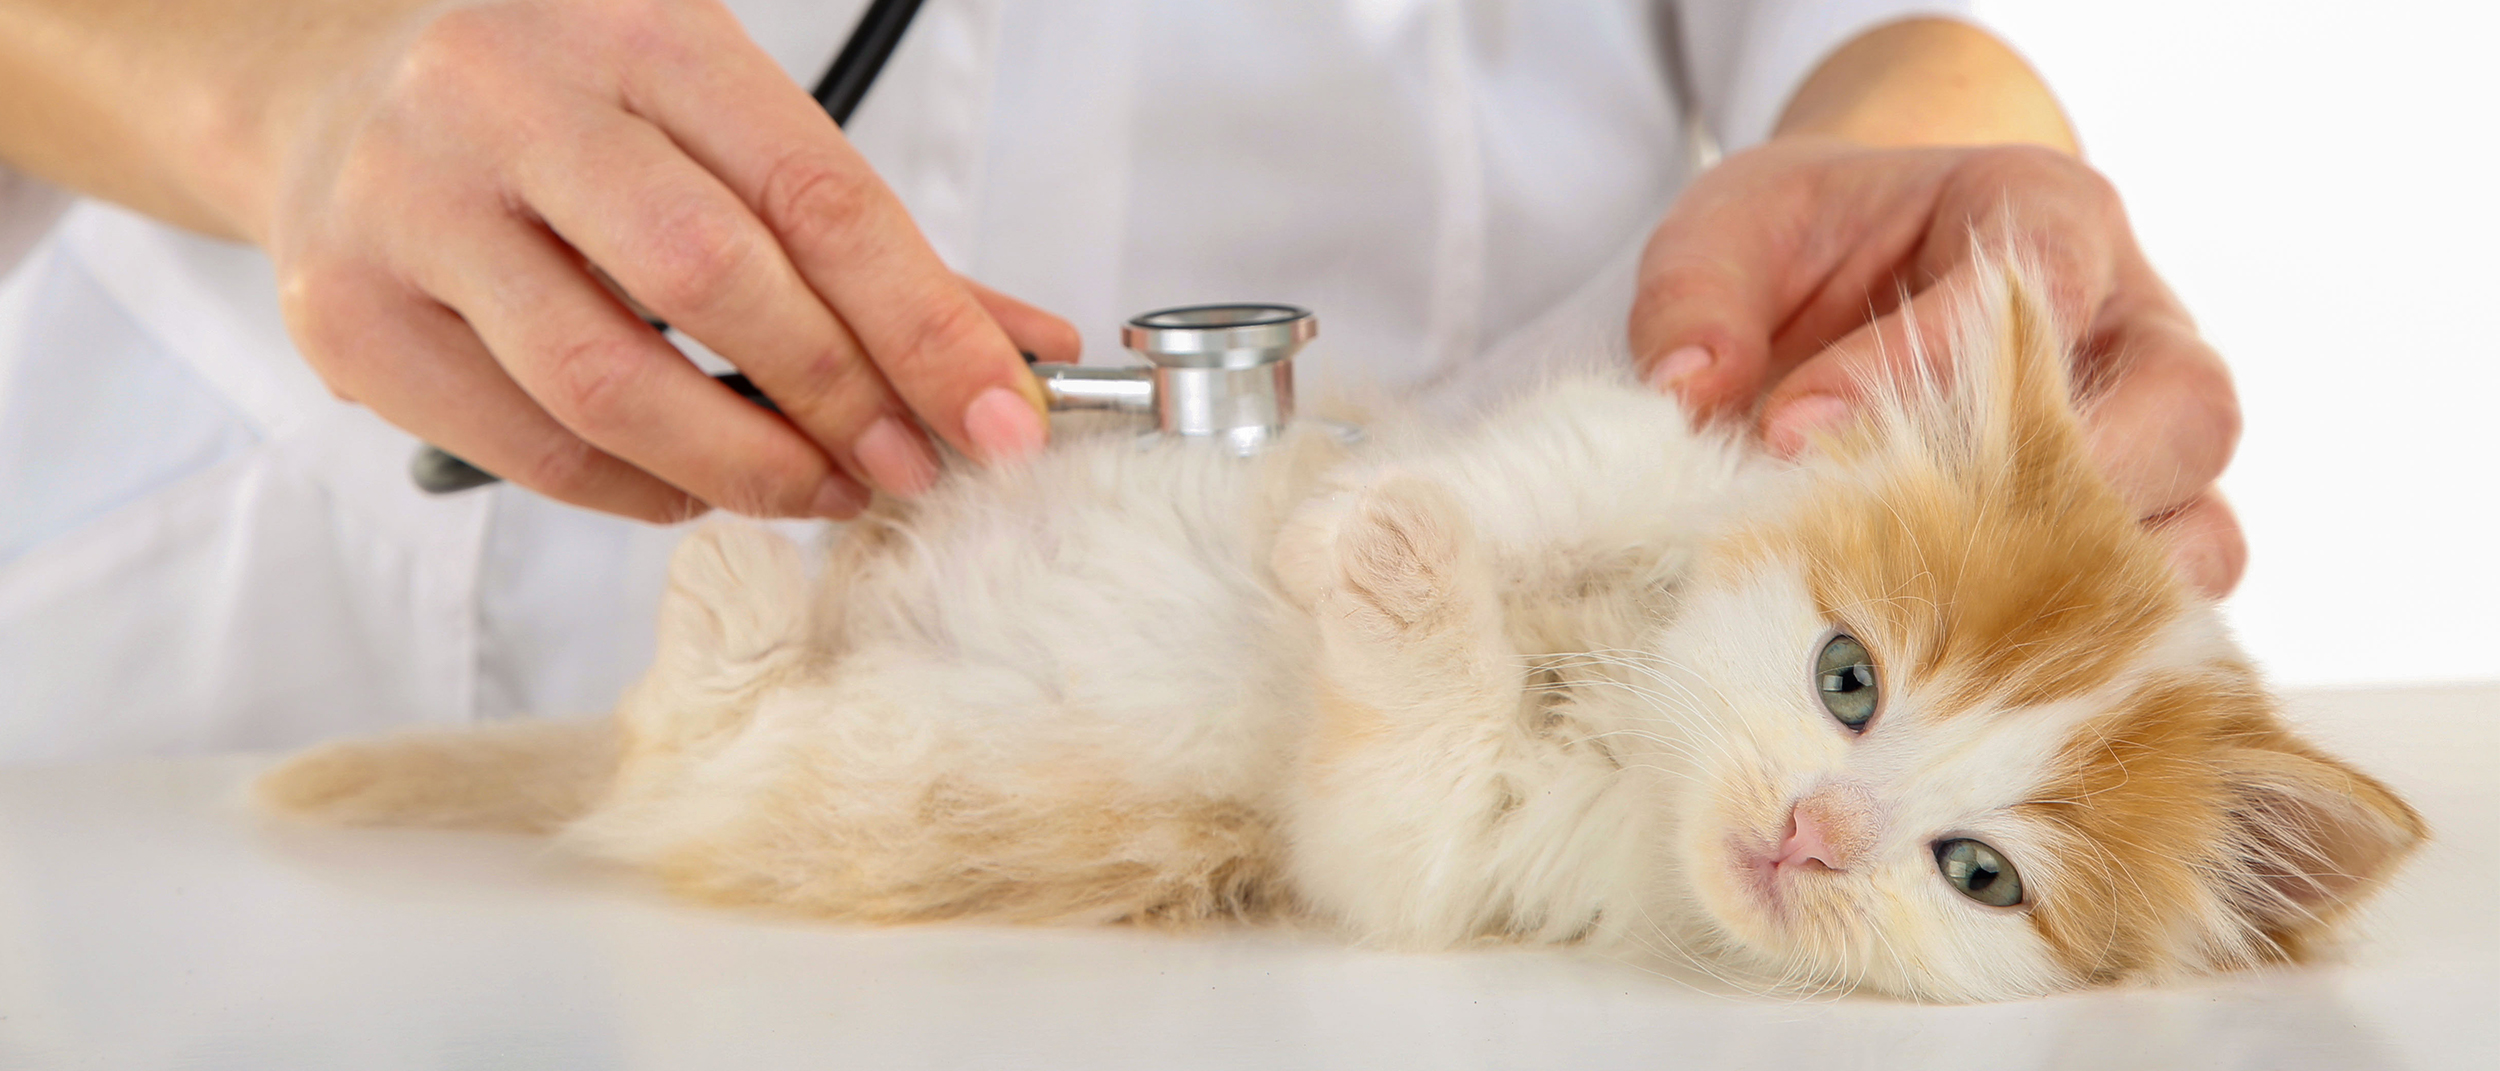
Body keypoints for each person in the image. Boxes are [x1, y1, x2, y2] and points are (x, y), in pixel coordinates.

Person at [0, 0, 2241, 762]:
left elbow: (1873, 38)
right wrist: (266, 79)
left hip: (1396, 783)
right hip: (260, 712)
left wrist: (1936, 209)